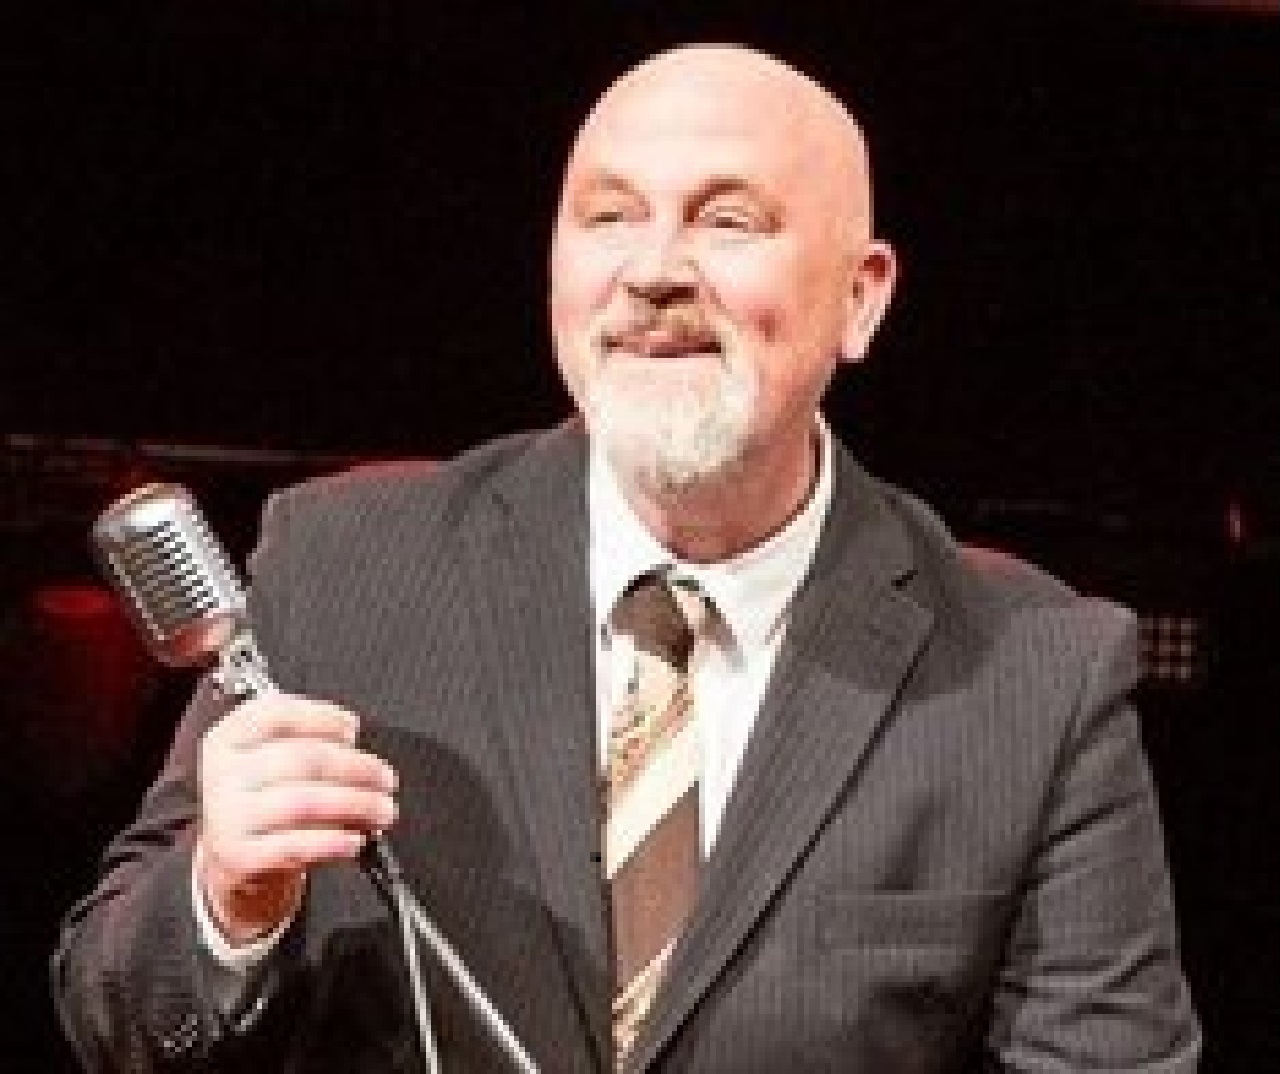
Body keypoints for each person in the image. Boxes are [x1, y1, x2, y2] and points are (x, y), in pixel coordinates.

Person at [51, 43, 1201, 1072]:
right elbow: (117, 1021)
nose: (652, 270)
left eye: (726, 221)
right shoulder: (342, 565)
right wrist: (225, 903)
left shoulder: (1031, 670)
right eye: (608, 216)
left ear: (859, 298)